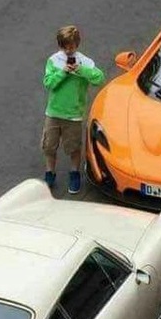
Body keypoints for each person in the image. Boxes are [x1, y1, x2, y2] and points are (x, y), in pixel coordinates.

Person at [41, 25, 105, 194]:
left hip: (74, 115)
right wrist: (63, 72)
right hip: (53, 113)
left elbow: (99, 78)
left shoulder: (85, 62)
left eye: (71, 46)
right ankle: (49, 173)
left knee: (74, 148)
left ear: (77, 44)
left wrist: (81, 70)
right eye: (64, 46)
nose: (68, 50)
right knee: (49, 146)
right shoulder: (54, 61)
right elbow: (48, 83)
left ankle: (74, 173)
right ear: (60, 45)